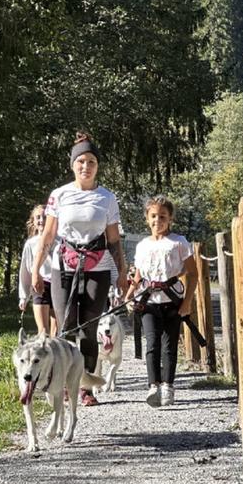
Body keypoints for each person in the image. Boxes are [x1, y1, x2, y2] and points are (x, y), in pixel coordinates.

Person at [32, 132, 128, 407]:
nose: (86, 167)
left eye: (92, 162)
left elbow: (113, 240)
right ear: (73, 164)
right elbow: (48, 236)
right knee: (65, 325)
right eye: (81, 162)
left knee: (89, 328)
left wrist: (120, 272)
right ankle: (62, 382)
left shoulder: (107, 198)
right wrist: (38, 269)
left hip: (96, 266)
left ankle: (85, 387)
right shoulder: (59, 195)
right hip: (63, 265)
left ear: (98, 166)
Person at [125, 195, 197, 408]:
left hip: (172, 301)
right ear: (147, 218)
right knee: (152, 343)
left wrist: (187, 302)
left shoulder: (178, 243)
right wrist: (129, 295)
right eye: (154, 216)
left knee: (169, 345)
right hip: (149, 301)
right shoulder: (142, 245)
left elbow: (193, 274)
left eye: (163, 216)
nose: (158, 220)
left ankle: (168, 385)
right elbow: (138, 276)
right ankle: (153, 385)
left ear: (170, 218)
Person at [18, 205, 57, 336]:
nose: (42, 220)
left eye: (45, 217)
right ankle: (45, 353)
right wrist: (23, 297)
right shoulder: (31, 244)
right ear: (33, 221)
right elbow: (25, 270)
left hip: (58, 285)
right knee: (43, 332)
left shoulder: (60, 241)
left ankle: (56, 355)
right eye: (38, 217)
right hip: (40, 285)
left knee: (56, 332)